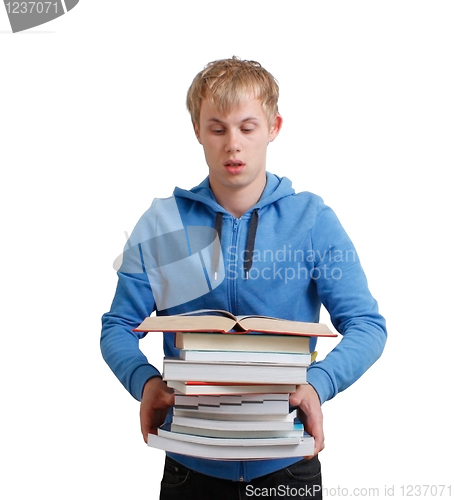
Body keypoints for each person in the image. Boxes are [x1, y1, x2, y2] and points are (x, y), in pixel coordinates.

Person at [101, 57, 387, 499]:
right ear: (197, 130)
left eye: (247, 128)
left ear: (274, 127)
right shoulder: (164, 223)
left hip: (288, 468)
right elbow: (118, 326)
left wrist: (319, 384)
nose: (233, 145)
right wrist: (145, 381)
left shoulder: (311, 219)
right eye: (217, 129)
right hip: (189, 468)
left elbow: (368, 325)